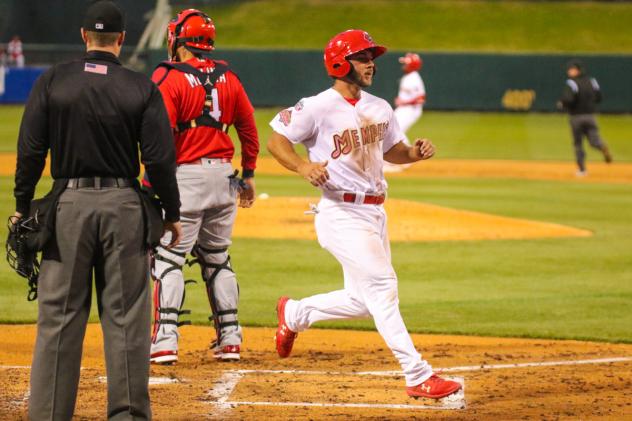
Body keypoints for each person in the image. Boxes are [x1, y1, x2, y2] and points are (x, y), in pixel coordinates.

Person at [267, 29, 462, 400]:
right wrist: (302, 168)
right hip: (339, 212)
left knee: (361, 300)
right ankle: (417, 373)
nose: (371, 63)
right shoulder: (317, 106)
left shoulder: (379, 107)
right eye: (363, 57)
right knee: (383, 288)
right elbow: (277, 140)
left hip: (374, 214)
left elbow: (395, 151)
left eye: (371, 56)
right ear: (341, 63)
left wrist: (415, 154)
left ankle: (294, 313)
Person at [13, 1, 182, 419]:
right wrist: (172, 212)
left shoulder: (54, 80)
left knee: (59, 317)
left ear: (84, 36)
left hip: (67, 205)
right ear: (122, 40)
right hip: (124, 206)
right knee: (125, 319)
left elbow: (31, 151)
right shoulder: (141, 87)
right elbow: (159, 159)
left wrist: (22, 205)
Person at [148, 8, 259, 365]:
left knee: (168, 257)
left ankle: (165, 339)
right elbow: (248, 128)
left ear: (179, 40)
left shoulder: (168, 76)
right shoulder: (230, 75)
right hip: (226, 178)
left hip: (186, 178)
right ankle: (230, 338)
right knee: (217, 258)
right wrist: (250, 174)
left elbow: (159, 136)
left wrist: (152, 183)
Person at [558, 60, 612, 176]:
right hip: (591, 116)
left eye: (571, 69)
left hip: (576, 117)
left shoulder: (572, 83)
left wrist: (562, 104)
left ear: (576, 70)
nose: (569, 71)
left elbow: (569, 99)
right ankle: (601, 146)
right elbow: (599, 97)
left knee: (578, 143)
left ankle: (582, 170)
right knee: (594, 140)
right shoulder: (592, 81)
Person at [384, 52, 425, 173]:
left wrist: (404, 102)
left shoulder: (414, 78)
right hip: (405, 109)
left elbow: (421, 98)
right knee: (391, 128)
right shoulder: (408, 76)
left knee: (397, 130)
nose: (403, 65)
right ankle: (395, 159)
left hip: (411, 110)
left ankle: (407, 158)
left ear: (412, 65)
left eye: (406, 63)